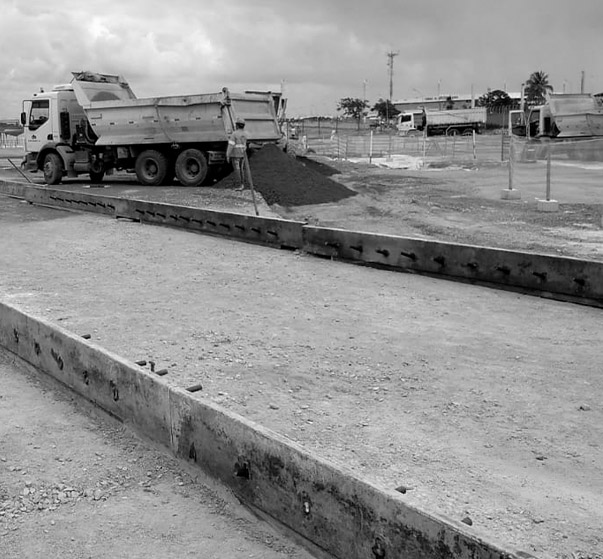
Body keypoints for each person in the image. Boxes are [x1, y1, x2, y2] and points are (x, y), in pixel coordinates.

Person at [226, 117, 249, 191]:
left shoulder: (234, 134)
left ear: (237, 125)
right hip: (243, 154)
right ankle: (242, 184)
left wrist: (227, 155)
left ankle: (239, 185)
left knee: (237, 170)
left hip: (235, 155)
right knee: (241, 169)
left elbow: (231, 145)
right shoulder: (245, 134)